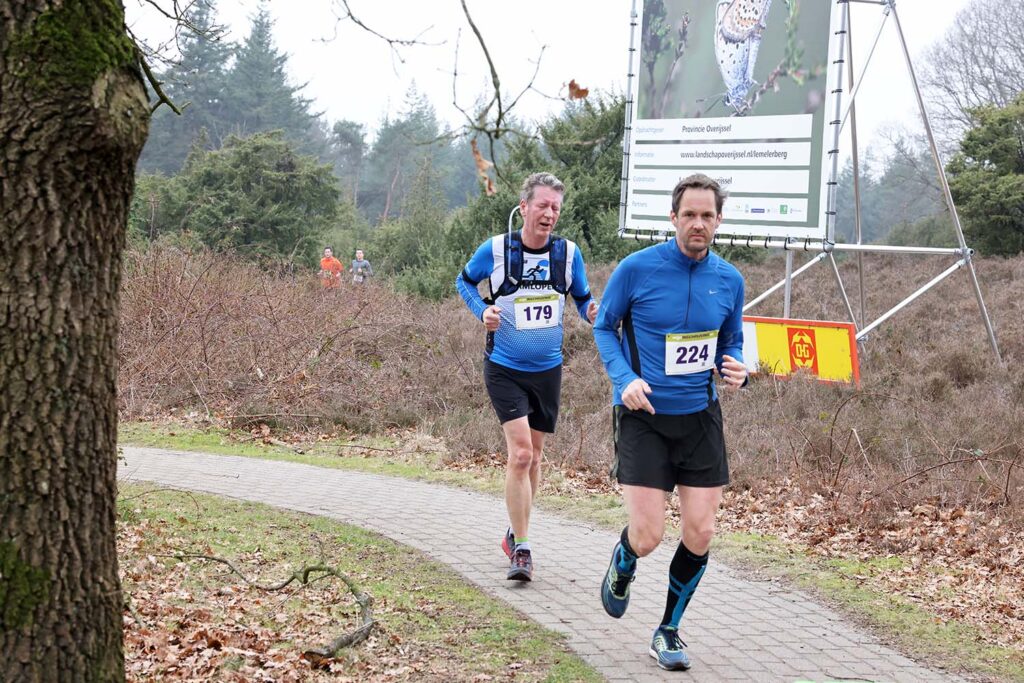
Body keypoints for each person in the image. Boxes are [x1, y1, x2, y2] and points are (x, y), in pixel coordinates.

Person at [592, 173, 748, 671]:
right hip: (644, 417)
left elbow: (731, 342)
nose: (698, 224)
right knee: (649, 536)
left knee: (700, 532)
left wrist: (737, 368)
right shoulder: (637, 269)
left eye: (707, 216)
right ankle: (624, 560)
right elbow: (604, 327)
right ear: (673, 218)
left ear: (718, 221)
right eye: (689, 215)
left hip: (700, 418)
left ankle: (668, 631)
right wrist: (624, 379)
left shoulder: (730, 280)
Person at [456, 172, 598, 582]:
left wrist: (590, 313)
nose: (549, 214)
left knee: (535, 458)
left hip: (548, 370)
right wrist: (482, 311)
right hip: (504, 368)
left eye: (555, 207)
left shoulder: (568, 254)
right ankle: (522, 549)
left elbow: (582, 298)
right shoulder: (496, 250)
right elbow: (464, 282)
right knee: (520, 455)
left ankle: (514, 531)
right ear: (524, 208)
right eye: (542, 206)